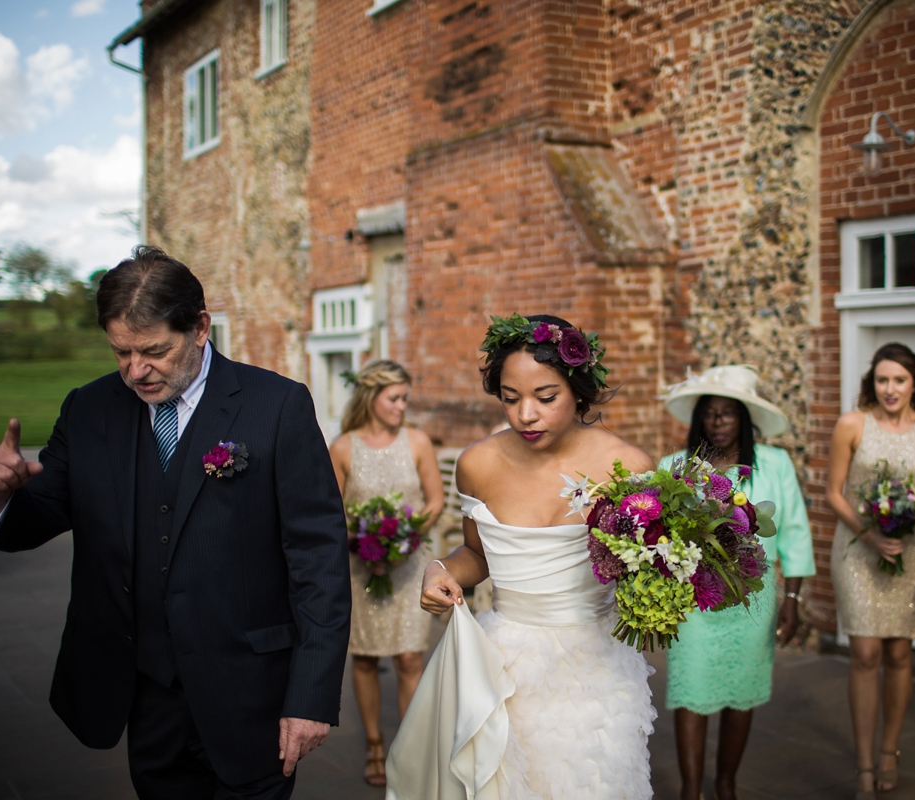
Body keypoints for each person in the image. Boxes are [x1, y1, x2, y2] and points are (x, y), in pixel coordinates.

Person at [0, 246, 352, 800]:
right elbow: (36, 519)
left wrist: (311, 696)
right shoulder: (89, 409)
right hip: (145, 696)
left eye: (153, 351)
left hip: (252, 694)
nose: (136, 371)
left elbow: (318, 558)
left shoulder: (277, 405)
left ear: (199, 327)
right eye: (121, 353)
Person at [385, 313, 657, 799]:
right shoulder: (477, 464)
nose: (525, 414)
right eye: (510, 399)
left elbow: (648, 566)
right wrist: (439, 569)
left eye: (545, 398)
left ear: (578, 391)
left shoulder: (629, 469)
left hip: (597, 672)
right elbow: (476, 553)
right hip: (505, 669)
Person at [659, 365, 816, 800]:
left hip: (754, 600)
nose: (717, 422)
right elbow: (659, 537)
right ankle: (691, 790)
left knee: (741, 689)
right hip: (694, 600)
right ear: (698, 419)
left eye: (728, 414)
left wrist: (794, 598)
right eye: (709, 413)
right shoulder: (673, 467)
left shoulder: (776, 465)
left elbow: (796, 532)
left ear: (744, 419)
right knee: (690, 688)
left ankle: (726, 784)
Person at [827, 343, 915, 799]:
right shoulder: (852, 424)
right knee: (864, 654)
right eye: (882, 380)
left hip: (912, 552)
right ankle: (863, 765)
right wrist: (871, 535)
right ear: (872, 383)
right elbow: (834, 494)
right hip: (860, 550)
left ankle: (889, 751)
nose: (890, 388)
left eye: (899, 380)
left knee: (900, 654)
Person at [328, 359, 445, 787]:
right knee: (364, 657)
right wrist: (362, 540)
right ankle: (375, 743)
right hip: (362, 567)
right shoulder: (342, 448)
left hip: (410, 564)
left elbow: (434, 501)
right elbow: (331, 511)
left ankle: (407, 749)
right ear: (371, 397)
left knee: (411, 656)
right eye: (394, 398)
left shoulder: (417, 441)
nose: (402, 406)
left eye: (405, 399)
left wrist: (407, 536)